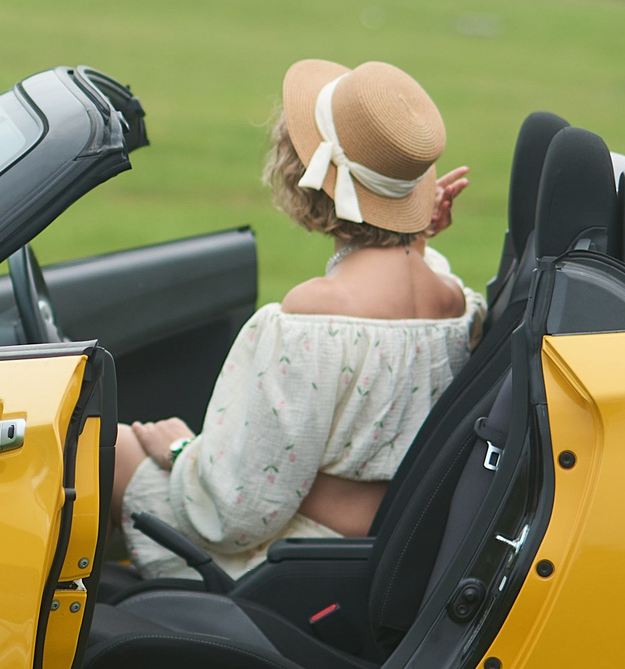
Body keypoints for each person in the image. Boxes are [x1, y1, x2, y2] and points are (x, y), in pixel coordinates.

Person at [113, 58, 481, 581]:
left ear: (309, 175)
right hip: (379, 559)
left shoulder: (313, 316)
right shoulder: (454, 305)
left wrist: (180, 451)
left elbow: (238, 510)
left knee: (107, 450)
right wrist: (417, 237)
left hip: (292, 567)